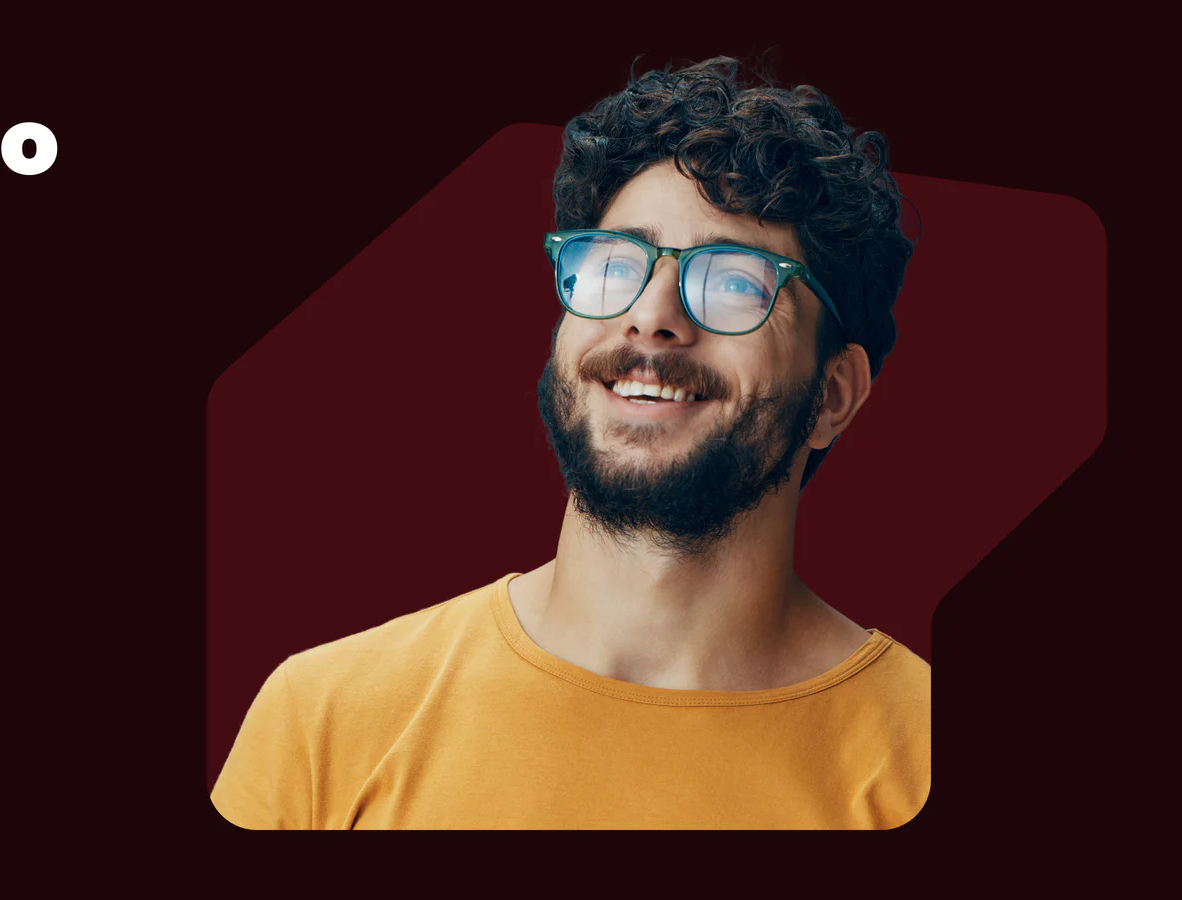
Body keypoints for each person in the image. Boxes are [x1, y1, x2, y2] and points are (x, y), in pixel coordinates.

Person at [211, 56, 926, 829]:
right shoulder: (326, 721)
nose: (652, 319)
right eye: (615, 265)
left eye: (733, 282)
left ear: (832, 396)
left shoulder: (920, 759)